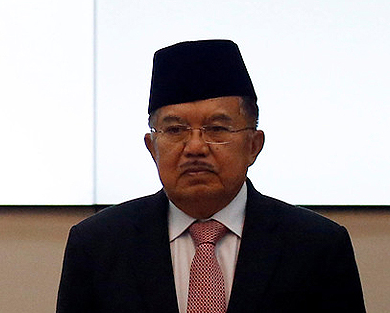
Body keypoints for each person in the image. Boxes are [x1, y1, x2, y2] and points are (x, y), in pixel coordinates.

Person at [55, 39, 366, 313]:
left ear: (253, 145)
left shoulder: (317, 247)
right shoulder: (97, 245)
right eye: (175, 130)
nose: (195, 147)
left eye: (217, 129)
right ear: (152, 147)